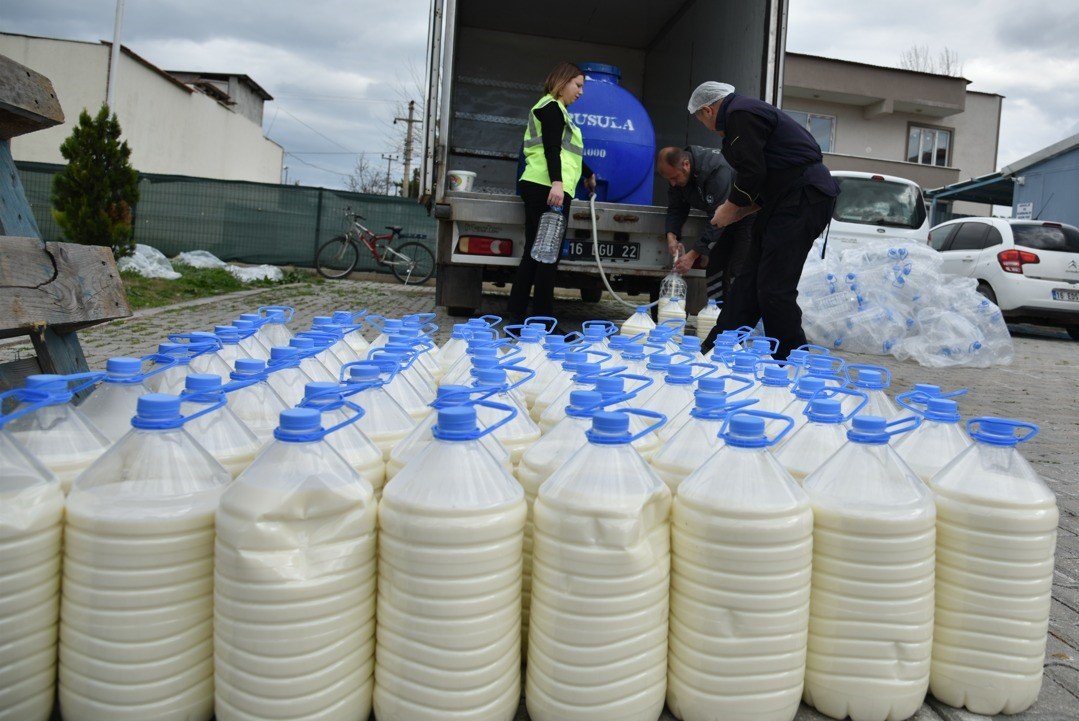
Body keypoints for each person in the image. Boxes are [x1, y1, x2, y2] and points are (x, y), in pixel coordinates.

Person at [687, 81, 839, 360]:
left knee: (773, 287)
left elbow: (752, 171)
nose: (704, 124)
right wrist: (742, 210)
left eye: (700, 119)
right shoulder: (742, 115)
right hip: (781, 200)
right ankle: (716, 349)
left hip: (803, 199)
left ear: (707, 110)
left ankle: (791, 362)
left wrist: (731, 207)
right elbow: (770, 170)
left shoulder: (740, 114)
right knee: (749, 281)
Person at [506, 61, 598, 324]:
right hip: (547, 187)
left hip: (543, 186)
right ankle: (542, 321)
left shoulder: (555, 110)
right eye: (578, 85)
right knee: (547, 254)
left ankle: (517, 315)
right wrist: (557, 183)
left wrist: (587, 173)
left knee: (537, 252)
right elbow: (551, 149)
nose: (580, 92)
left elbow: (564, 149)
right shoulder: (551, 108)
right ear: (563, 81)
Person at [657, 145, 754, 306]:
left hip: (745, 215)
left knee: (737, 269)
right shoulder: (676, 174)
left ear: (686, 165)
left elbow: (718, 219)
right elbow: (676, 208)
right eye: (669, 180)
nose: (672, 183)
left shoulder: (716, 170)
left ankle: (738, 321)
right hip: (722, 217)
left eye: (674, 178)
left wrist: (692, 255)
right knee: (715, 267)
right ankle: (716, 312)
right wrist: (671, 235)